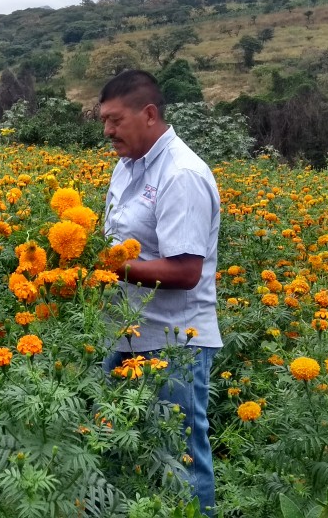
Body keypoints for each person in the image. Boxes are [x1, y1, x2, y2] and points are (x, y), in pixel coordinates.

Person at [99, 70, 222, 514]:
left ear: (148, 114)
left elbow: (187, 270)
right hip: (126, 332)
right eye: (104, 121)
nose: (108, 131)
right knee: (116, 444)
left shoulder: (182, 173)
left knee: (179, 457)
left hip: (175, 342)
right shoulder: (128, 164)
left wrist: (106, 266)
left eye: (115, 120)